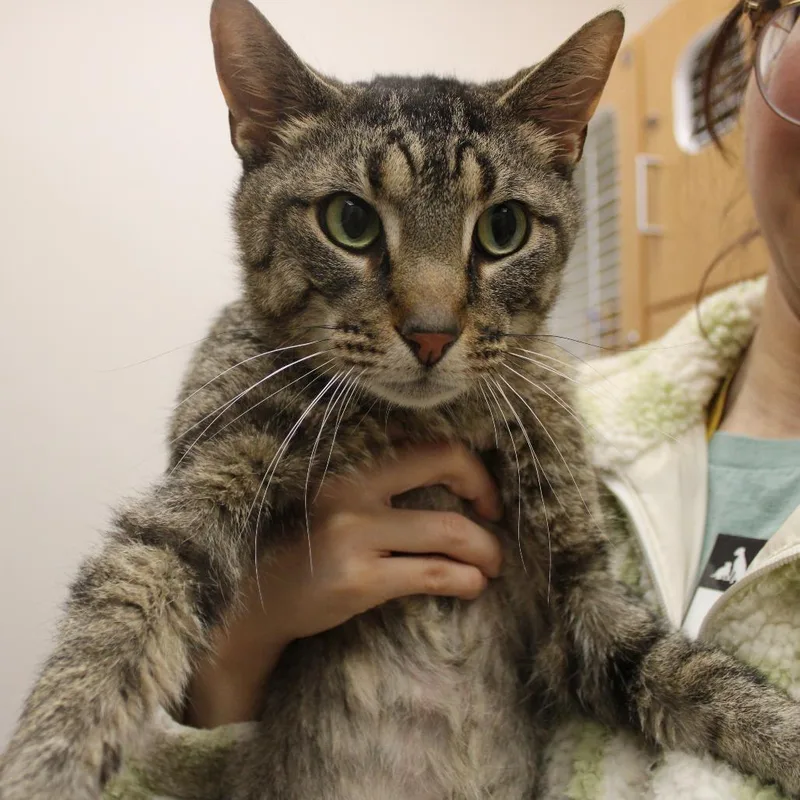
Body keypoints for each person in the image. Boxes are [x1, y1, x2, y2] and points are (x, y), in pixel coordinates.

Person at [105, 2, 800, 797]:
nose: (434, 326)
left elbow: (589, 639)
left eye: (498, 230)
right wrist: (235, 648)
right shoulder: (607, 411)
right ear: (755, 32)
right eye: (351, 221)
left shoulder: (542, 422)